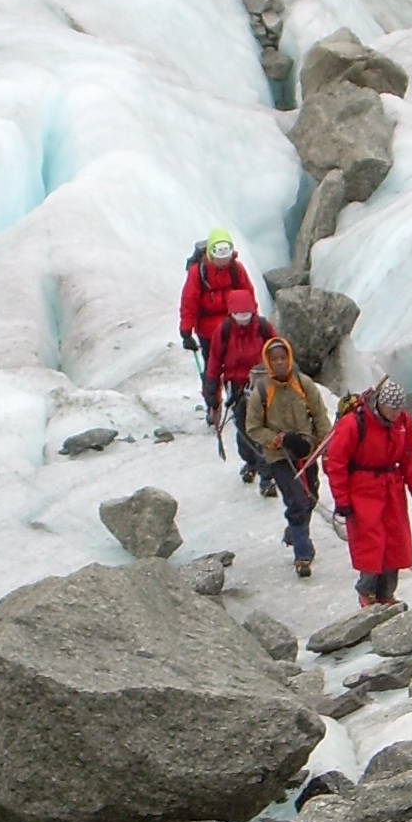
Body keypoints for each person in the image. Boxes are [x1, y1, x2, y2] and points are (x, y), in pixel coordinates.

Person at [323, 374, 412, 607]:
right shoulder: (354, 424)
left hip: (391, 488)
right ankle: (367, 592)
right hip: (362, 489)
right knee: (371, 543)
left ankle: (386, 594)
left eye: (399, 411)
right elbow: (336, 463)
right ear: (381, 404)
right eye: (392, 410)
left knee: (395, 543)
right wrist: (342, 500)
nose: (396, 415)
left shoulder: (402, 422)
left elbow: (409, 455)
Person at [245, 334, 331, 577]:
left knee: (310, 497)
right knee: (296, 501)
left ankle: (295, 531)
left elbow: (320, 416)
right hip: (279, 456)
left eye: (283, 358)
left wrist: (323, 444)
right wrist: (275, 439)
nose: (280, 363)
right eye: (275, 359)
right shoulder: (261, 391)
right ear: (268, 362)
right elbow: (252, 427)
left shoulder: (303, 384)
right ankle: (303, 554)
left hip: (307, 451)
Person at [203, 292, 274, 482]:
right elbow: (215, 361)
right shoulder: (224, 331)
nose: (243, 320)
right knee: (244, 429)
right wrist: (211, 392)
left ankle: (266, 474)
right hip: (236, 388)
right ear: (231, 314)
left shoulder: (263, 328)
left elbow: (278, 352)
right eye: (238, 315)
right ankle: (252, 462)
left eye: (246, 315)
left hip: (262, 384)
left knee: (261, 428)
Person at [178, 229, 254, 371]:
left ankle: (233, 390)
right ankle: (214, 391)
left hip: (233, 325)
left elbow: (248, 295)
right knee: (214, 366)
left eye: (226, 258)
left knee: (235, 364)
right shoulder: (198, 272)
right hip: (209, 330)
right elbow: (189, 302)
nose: (223, 262)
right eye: (219, 258)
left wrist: (251, 318)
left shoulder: (236, 269)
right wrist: (186, 331)